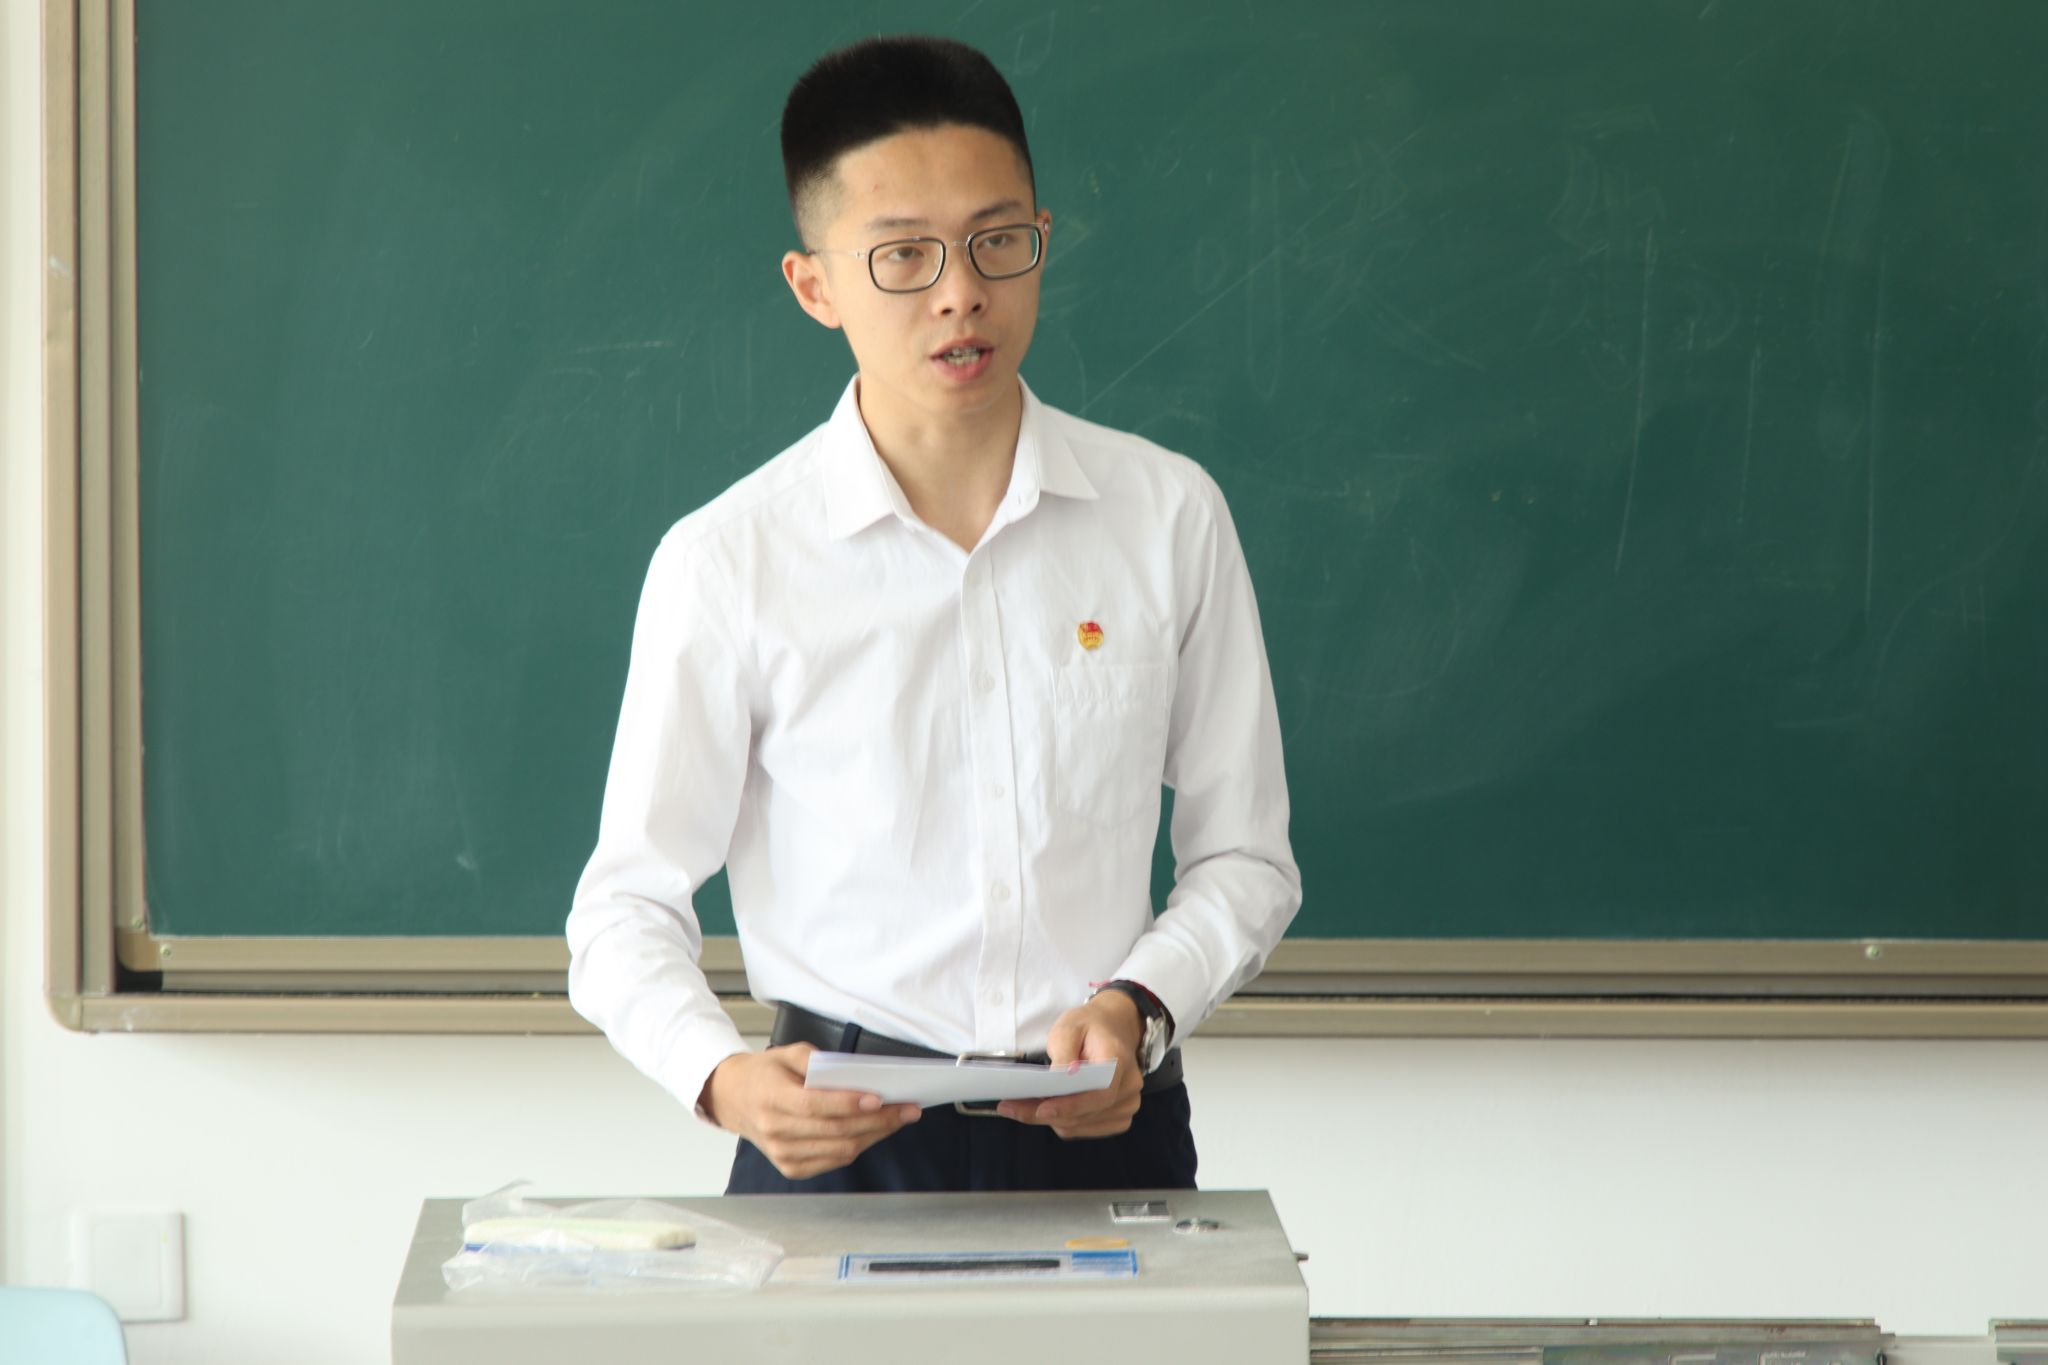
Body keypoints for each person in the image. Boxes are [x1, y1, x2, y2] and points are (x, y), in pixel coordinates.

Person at [567, 34, 1299, 1195]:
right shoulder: (729, 560)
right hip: (836, 1140)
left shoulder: (1166, 516)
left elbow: (1244, 859)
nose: (960, 291)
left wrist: (1139, 1007)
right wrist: (723, 1080)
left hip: (1105, 1123)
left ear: (1040, 238)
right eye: (902, 254)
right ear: (815, 286)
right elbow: (621, 908)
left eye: (995, 240)